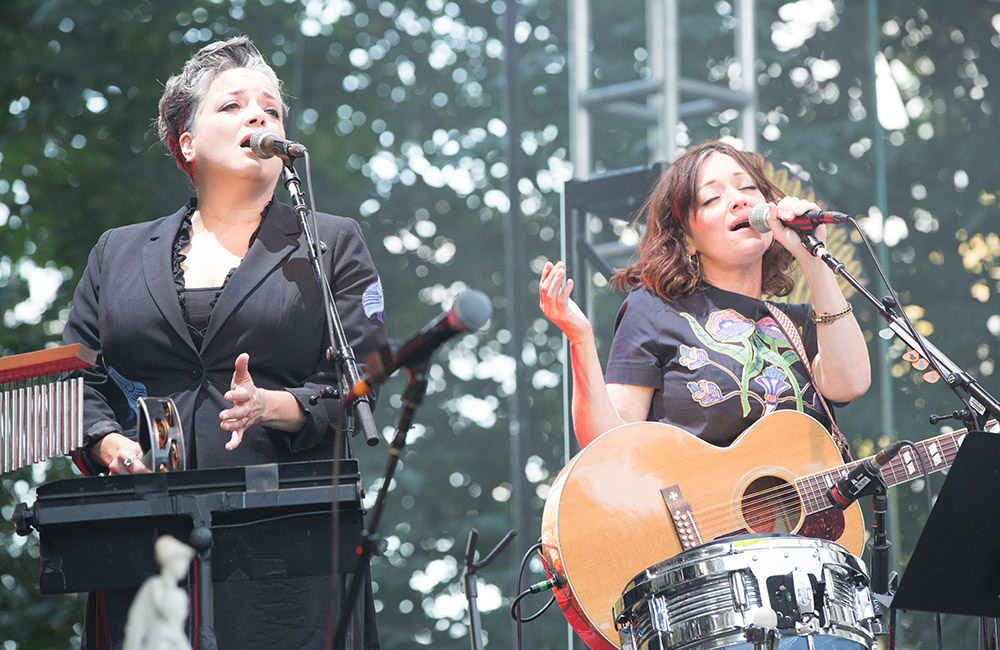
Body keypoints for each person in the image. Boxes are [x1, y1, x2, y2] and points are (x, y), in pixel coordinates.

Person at [63, 36, 386, 650]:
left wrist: (273, 405)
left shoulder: (329, 243)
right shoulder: (118, 253)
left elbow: (361, 374)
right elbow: (79, 379)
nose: (258, 116)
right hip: (143, 538)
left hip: (284, 547)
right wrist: (109, 445)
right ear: (186, 141)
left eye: (270, 108)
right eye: (233, 106)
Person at [539, 140, 870, 450]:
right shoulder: (653, 311)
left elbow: (850, 384)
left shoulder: (797, 324)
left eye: (748, 188)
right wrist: (580, 340)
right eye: (712, 198)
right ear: (687, 240)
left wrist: (814, 260)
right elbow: (610, 443)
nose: (739, 200)